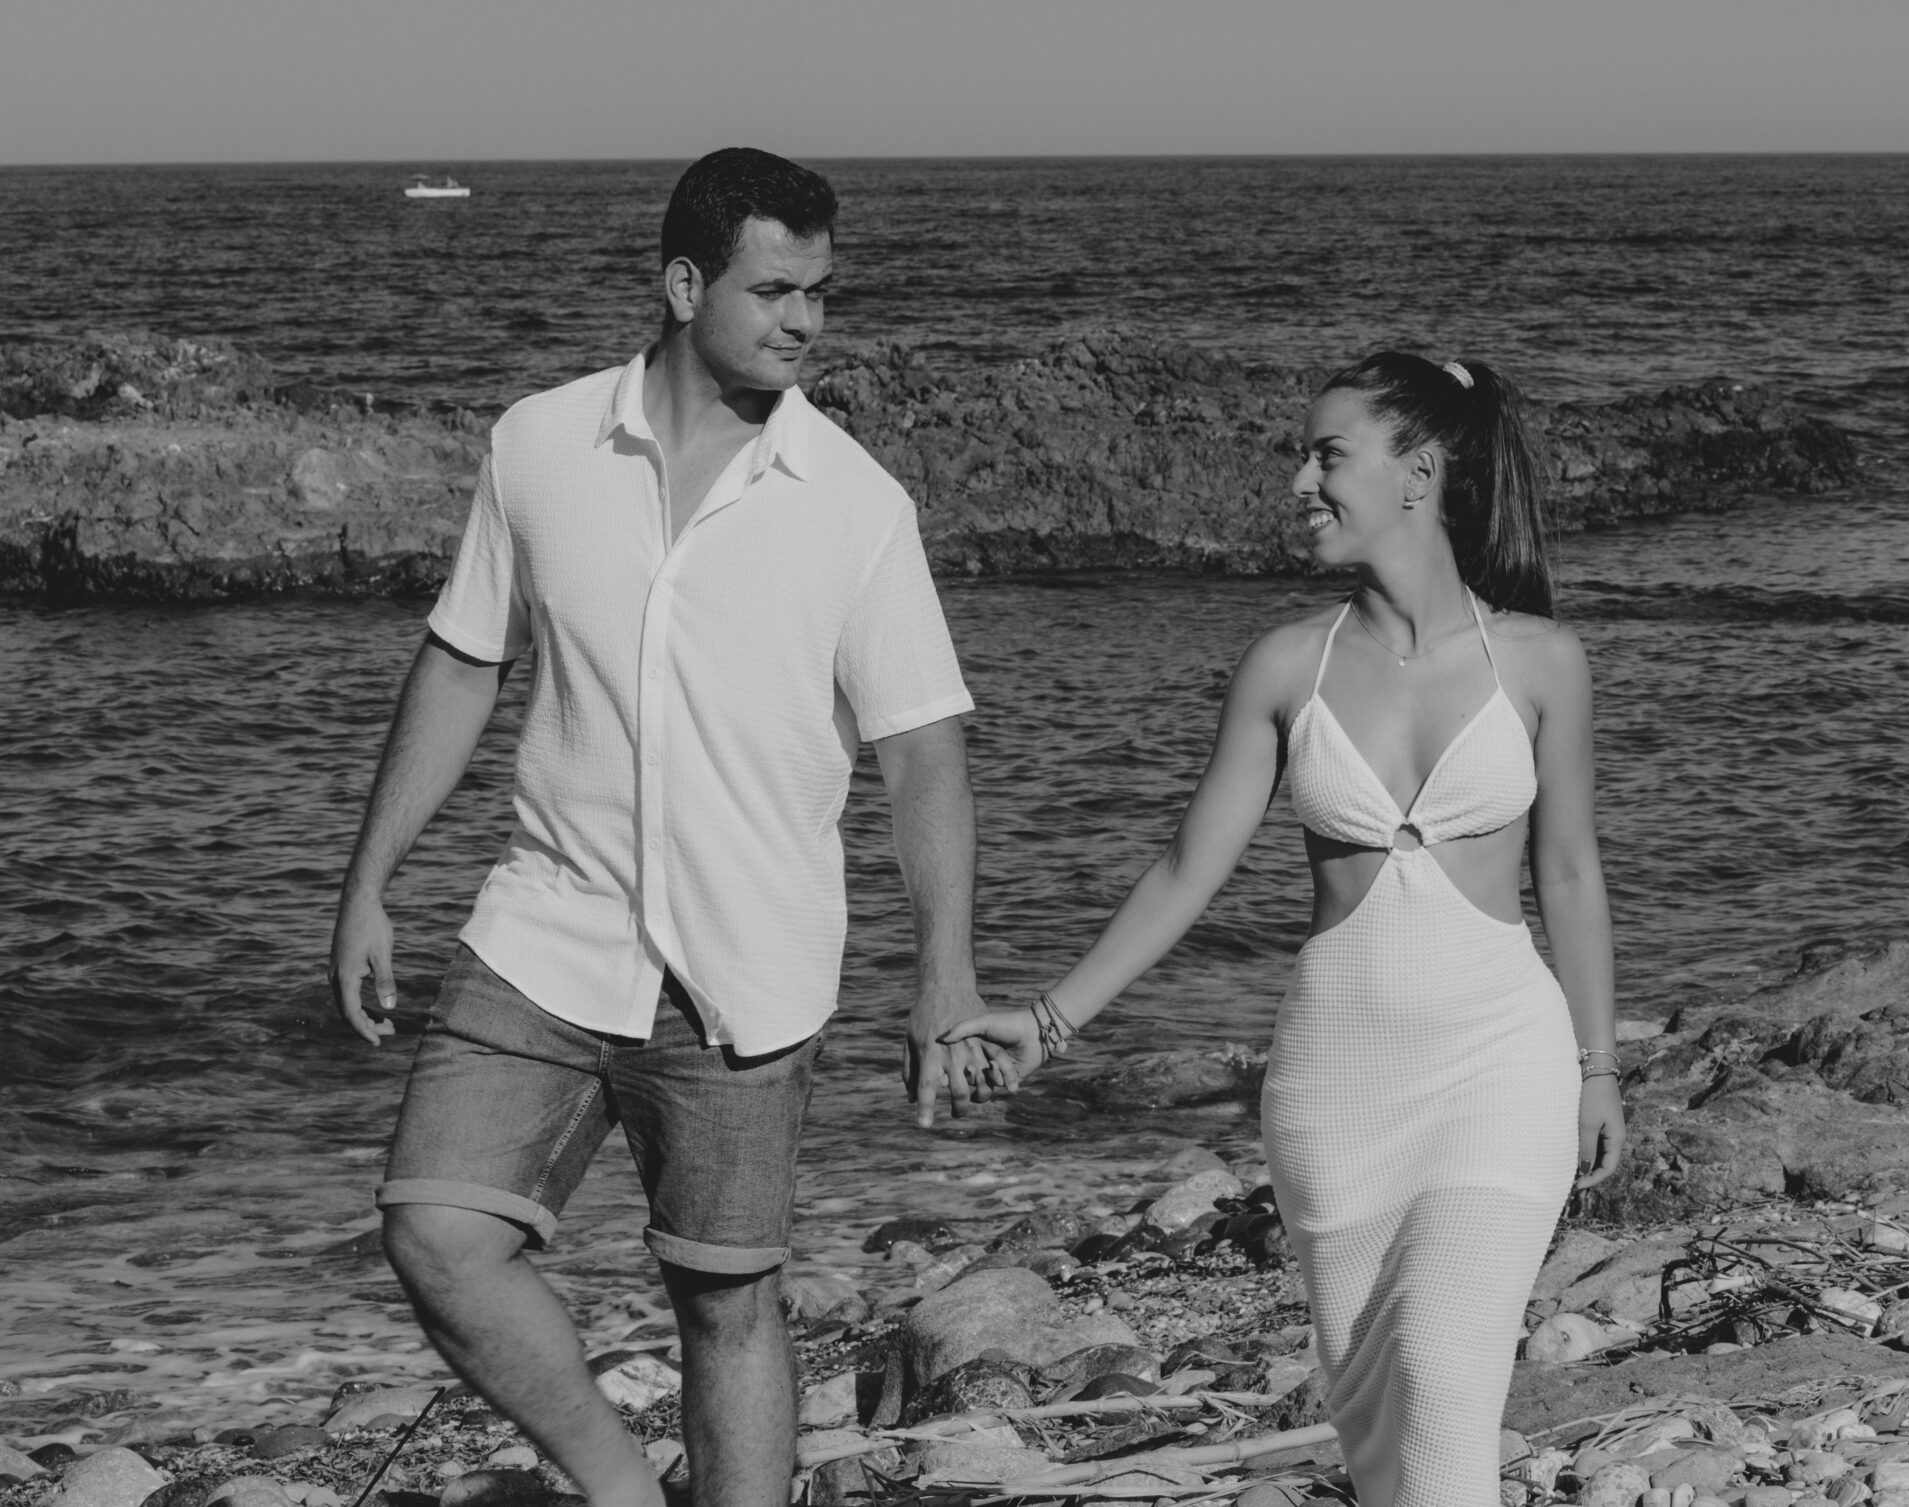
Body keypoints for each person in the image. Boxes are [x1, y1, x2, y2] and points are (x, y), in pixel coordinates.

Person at [328, 147, 992, 1507]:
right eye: (774, 290)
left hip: (748, 963)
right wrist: (369, 880)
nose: (805, 320)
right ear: (686, 285)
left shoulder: (857, 506)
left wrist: (946, 972)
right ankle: (625, 1489)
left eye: (820, 291)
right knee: (436, 1232)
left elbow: (923, 751)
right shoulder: (538, 444)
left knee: (725, 1299)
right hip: (545, 927)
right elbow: (463, 660)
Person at [945, 352, 1624, 1507]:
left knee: (1443, 1377)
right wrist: (1049, 1022)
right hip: (1335, 1086)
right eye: (1302, 457)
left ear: (1417, 474)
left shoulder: (1541, 661)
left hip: (1499, 1067)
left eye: (1326, 456)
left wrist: (1596, 1067)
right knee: (1373, 1424)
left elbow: (1567, 873)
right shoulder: (1283, 668)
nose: (1297, 484)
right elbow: (1185, 871)